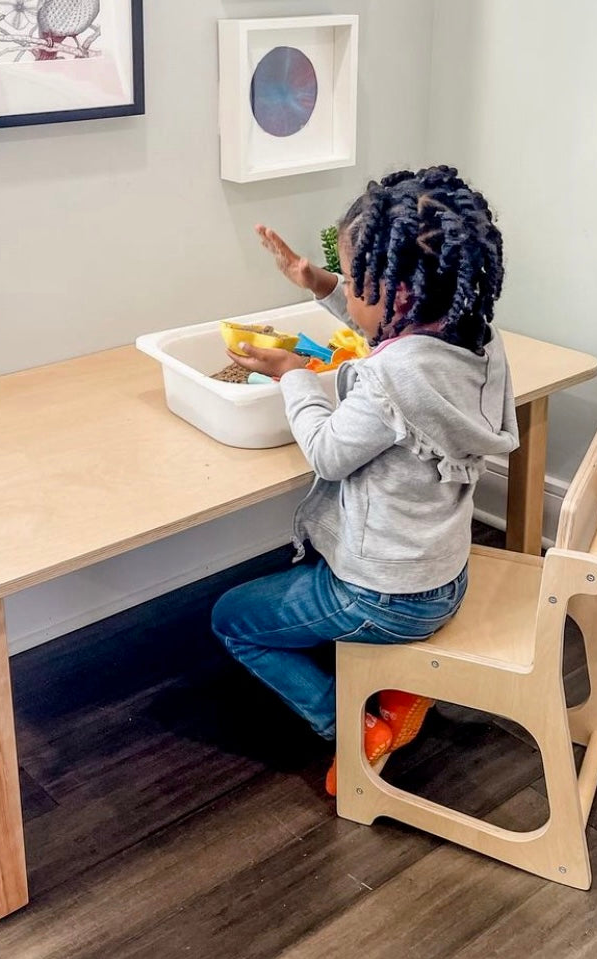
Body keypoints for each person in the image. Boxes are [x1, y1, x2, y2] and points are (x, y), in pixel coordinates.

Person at [211, 165, 519, 796]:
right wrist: (317, 284)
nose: (348, 293)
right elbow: (391, 338)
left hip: (382, 596)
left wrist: (293, 374)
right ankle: (403, 684)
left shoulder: (388, 380)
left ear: (397, 292)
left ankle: (352, 725)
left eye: (354, 281)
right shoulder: (477, 345)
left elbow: (325, 452)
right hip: (444, 575)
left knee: (230, 618)